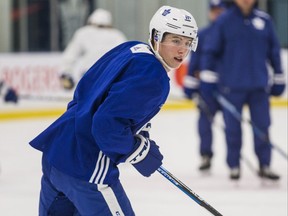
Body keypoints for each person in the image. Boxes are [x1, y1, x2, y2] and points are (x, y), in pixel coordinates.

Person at [29, 5, 198, 215]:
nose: (183, 50)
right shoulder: (153, 75)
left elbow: (91, 95)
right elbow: (106, 124)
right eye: (175, 40)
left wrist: (139, 135)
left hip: (57, 153)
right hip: (86, 165)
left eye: (187, 42)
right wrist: (138, 152)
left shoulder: (132, 49)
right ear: (156, 36)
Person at [200, 0, 285, 180]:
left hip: (259, 87)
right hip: (231, 87)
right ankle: (234, 166)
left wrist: (279, 77)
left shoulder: (265, 20)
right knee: (232, 129)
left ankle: (265, 165)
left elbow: (274, 51)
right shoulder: (224, 21)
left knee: (262, 127)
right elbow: (211, 50)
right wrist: (208, 78)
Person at [183, 0, 225, 171]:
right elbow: (194, 61)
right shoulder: (202, 34)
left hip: (229, 88)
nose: (216, 13)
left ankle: (234, 162)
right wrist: (190, 85)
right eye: (213, 10)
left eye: (219, 10)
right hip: (206, 89)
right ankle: (206, 155)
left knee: (232, 127)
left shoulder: (231, 32)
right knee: (204, 124)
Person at [59, 8, 127, 90]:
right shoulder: (117, 35)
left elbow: (70, 56)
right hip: (110, 76)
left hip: (89, 75)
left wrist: (65, 73)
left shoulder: (83, 33)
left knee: (87, 101)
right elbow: (126, 57)